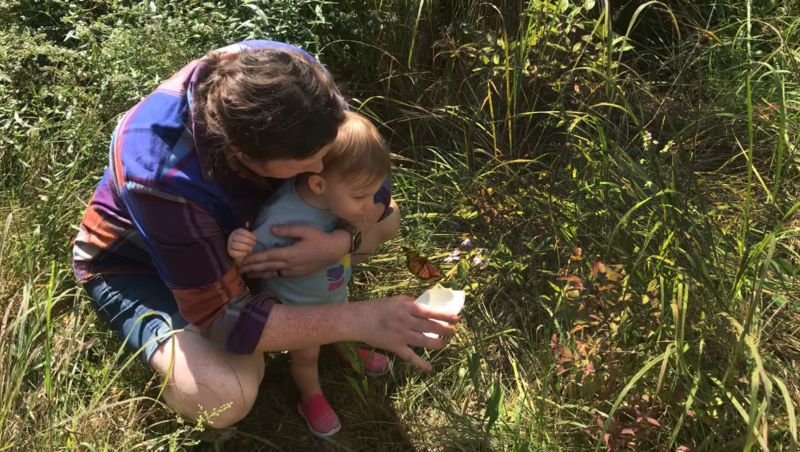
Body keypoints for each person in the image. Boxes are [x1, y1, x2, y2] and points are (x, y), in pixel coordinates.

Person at [72, 40, 458, 429]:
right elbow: (224, 318)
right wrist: (359, 319)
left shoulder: (296, 80)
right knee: (224, 394)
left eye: (325, 149)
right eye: (307, 162)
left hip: (246, 244)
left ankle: (284, 304)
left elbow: (363, 172)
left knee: (385, 218)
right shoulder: (159, 176)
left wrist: (341, 241)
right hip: (141, 266)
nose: (322, 167)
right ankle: (175, 356)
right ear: (242, 156)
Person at [228, 111, 393, 437]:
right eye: (361, 196)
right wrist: (239, 249)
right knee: (306, 356)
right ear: (318, 183)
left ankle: (346, 350)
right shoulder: (282, 217)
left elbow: (375, 207)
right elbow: (250, 267)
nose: (368, 204)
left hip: (332, 289)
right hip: (299, 311)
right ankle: (311, 397)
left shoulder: (337, 197)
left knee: (343, 319)